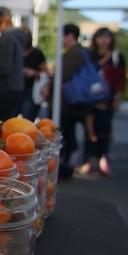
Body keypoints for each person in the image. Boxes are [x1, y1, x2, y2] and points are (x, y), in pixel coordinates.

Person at [79, 27, 126, 177]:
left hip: (107, 98)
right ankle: (89, 160)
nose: (104, 40)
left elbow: (121, 80)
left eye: (107, 36)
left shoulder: (117, 57)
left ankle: (102, 160)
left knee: (104, 129)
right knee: (89, 130)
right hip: (90, 98)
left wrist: (118, 98)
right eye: (100, 36)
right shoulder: (88, 55)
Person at [58, 24, 88, 179]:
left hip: (69, 102)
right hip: (70, 101)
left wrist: (51, 84)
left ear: (70, 36)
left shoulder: (75, 53)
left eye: (61, 36)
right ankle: (67, 164)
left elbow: (62, 76)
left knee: (67, 134)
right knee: (68, 134)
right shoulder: (76, 52)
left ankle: (67, 166)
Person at [17, 29, 48, 121]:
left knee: (28, 119)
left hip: (31, 90)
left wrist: (34, 73)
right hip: (15, 90)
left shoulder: (37, 53)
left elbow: (45, 73)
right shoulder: (15, 53)